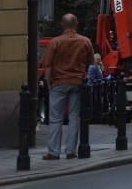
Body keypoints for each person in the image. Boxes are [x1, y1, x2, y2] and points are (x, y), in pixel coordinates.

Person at [42, 13, 95, 160]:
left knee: (56, 119)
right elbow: (91, 62)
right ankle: (71, 151)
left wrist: (49, 83)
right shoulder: (85, 41)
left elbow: (47, 65)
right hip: (77, 83)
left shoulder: (55, 42)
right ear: (76, 24)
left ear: (61, 25)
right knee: (74, 118)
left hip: (58, 83)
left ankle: (53, 152)